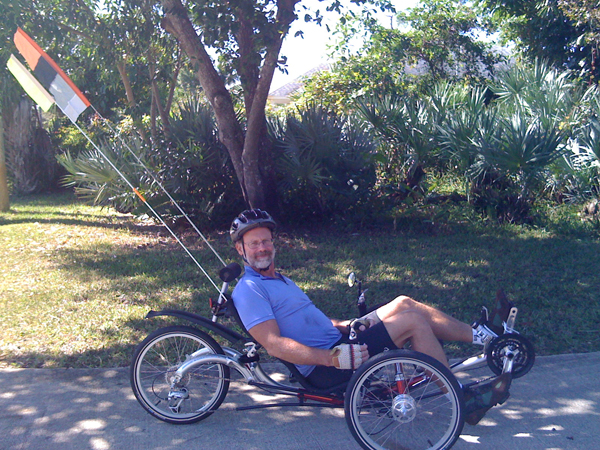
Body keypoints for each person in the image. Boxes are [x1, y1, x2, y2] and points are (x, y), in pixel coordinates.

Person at [230, 209, 512, 425]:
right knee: (412, 320)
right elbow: (274, 344)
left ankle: (484, 335)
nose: (262, 248)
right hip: (328, 366)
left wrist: (344, 324)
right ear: (240, 249)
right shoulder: (250, 290)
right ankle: (463, 400)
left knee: (403, 303)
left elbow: (308, 319)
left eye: (265, 241)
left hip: (340, 341)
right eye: (254, 244)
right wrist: (329, 358)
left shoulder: (280, 280)